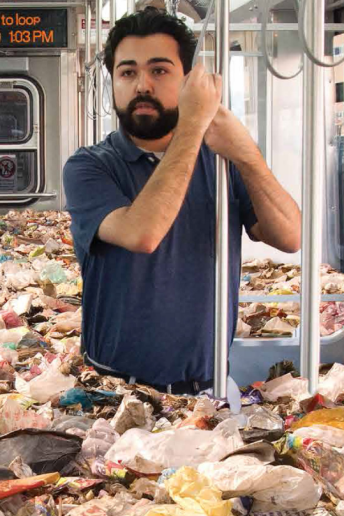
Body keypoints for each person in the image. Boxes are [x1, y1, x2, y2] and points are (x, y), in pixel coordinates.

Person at [63, 8, 300, 394]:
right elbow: (143, 234)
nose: (142, 85)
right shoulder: (89, 167)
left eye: (159, 71)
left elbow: (289, 236)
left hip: (206, 385)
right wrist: (193, 124)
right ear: (113, 84)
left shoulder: (222, 164)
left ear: (188, 80)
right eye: (127, 73)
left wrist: (247, 154)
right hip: (115, 388)